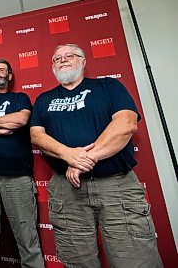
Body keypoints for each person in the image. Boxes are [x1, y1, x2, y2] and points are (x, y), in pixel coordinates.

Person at [30, 44, 162, 267]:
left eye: (69, 56)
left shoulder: (108, 86)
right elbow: (37, 136)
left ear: (83, 61)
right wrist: (69, 155)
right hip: (67, 190)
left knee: (136, 260)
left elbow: (126, 124)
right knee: (77, 262)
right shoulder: (44, 99)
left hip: (116, 187)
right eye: (56, 58)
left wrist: (83, 161)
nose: (62, 60)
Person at [0, 59, 44, 268]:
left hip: (17, 176)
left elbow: (20, 120)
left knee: (27, 239)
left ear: (9, 76)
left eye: (2, 70)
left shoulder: (20, 97)